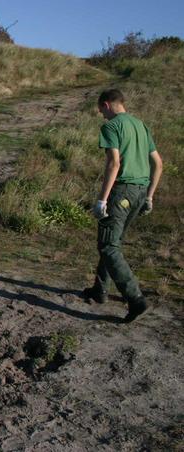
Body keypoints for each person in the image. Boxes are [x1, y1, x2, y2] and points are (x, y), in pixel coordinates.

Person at [84, 89, 163, 323]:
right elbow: (158, 164)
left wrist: (102, 199)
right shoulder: (141, 125)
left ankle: (136, 299)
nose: (102, 115)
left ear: (107, 105)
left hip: (122, 192)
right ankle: (100, 290)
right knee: (112, 241)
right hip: (140, 192)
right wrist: (149, 196)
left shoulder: (112, 127)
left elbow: (114, 163)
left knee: (108, 245)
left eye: (101, 111)